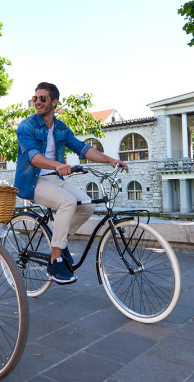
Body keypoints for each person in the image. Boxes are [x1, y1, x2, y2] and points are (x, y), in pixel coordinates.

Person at [14, 82, 128, 284]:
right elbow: (32, 156)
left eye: (42, 99)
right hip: (33, 181)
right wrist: (57, 164)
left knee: (87, 206)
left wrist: (110, 159)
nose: (37, 102)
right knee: (67, 202)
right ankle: (55, 260)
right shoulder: (27, 126)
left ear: (54, 102)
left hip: (55, 179)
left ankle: (58, 239)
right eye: (35, 98)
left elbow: (83, 149)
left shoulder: (60, 128)